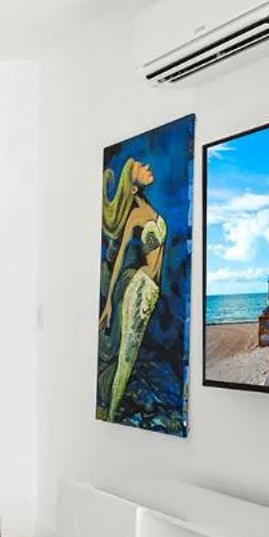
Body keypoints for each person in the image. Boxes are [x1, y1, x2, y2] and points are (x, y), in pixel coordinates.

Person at [98, 157, 167, 423]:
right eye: (139, 167)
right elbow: (118, 261)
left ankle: (112, 410)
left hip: (150, 289)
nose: (147, 166)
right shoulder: (135, 217)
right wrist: (109, 303)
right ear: (134, 187)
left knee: (131, 351)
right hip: (137, 287)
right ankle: (111, 411)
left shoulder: (151, 210)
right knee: (127, 352)